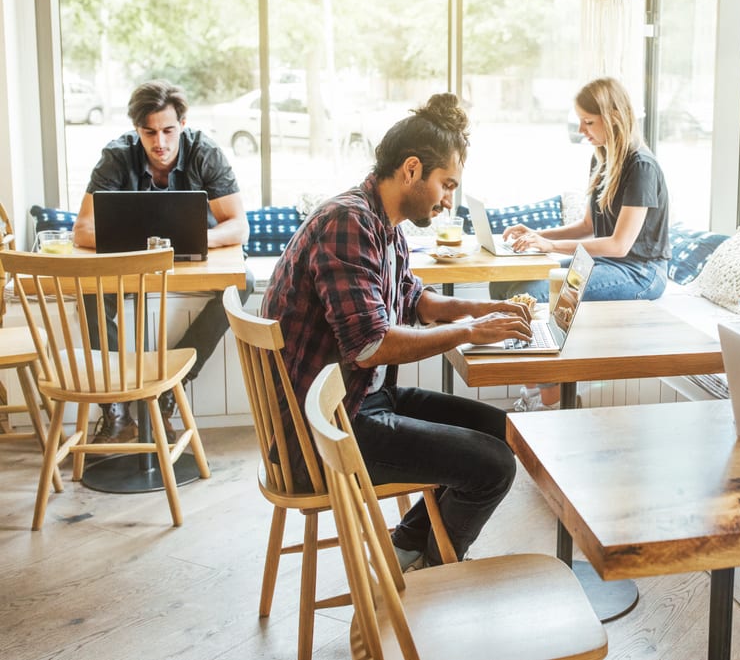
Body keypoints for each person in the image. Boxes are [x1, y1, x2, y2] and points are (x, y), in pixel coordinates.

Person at [262, 94, 530, 570]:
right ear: (412, 170)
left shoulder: (382, 223)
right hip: (324, 432)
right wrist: (471, 331)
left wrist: (487, 309)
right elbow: (370, 347)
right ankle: (429, 571)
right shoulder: (348, 223)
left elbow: (415, 300)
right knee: (493, 467)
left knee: (503, 432)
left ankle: (406, 547)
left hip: (358, 401)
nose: (449, 201)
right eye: (446, 185)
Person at [72, 80, 253, 444]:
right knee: (90, 291)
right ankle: (118, 407)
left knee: (242, 283)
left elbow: (239, 227)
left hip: (193, 259)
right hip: (131, 263)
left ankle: (172, 386)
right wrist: (147, 247)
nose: (160, 143)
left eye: (169, 130)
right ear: (137, 130)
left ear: (182, 125)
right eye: (149, 132)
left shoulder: (205, 152)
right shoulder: (117, 155)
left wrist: (189, 242)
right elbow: (82, 230)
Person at [490, 77, 671, 410]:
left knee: (539, 294)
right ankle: (534, 389)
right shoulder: (601, 158)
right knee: (508, 287)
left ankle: (549, 402)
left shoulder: (641, 167)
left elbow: (619, 245)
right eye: (580, 122)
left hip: (641, 272)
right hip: (606, 263)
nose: (582, 130)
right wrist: (538, 235)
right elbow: (588, 226)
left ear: (614, 116)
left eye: (589, 122)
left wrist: (548, 247)